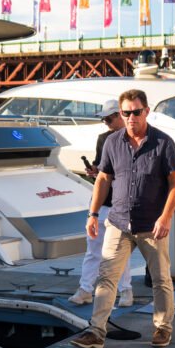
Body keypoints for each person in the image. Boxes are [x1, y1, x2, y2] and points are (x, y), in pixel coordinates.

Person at [71, 89, 175, 348]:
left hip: (152, 224)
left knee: (161, 278)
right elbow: (103, 178)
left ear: (146, 111)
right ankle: (97, 331)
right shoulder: (112, 142)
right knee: (106, 276)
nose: (131, 117)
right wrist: (93, 213)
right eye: (126, 113)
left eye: (136, 112)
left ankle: (163, 328)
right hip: (118, 221)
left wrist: (166, 217)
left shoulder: (163, 143)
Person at [68, 99, 134, 308]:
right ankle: (86, 289)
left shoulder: (134, 139)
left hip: (121, 202)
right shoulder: (104, 139)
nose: (106, 122)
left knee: (118, 250)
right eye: (104, 119)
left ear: (120, 115)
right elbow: (103, 168)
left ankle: (124, 291)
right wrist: (96, 170)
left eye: (109, 118)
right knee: (94, 248)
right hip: (105, 202)